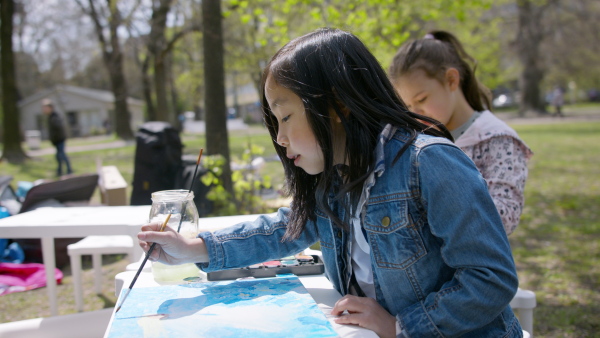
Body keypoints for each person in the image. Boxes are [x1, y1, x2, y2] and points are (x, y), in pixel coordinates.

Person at [138, 28, 523, 337]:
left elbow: (490, 277)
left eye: (285, 118)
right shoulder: (336, 177)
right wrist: (193, 248)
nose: (280, 139)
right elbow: (284, 228)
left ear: (336, 106)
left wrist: (401, 327)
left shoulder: (430, 162)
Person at [388, 30, 533, 236]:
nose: (416, 113)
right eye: (408, 106)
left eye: (421, 100)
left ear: (451, 80)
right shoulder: (416, 140)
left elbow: (505, 216)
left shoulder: (497, 139)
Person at [42, 99, 73, 176]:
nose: (44, 110)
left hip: (59, 140)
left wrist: (56, 138)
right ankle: (59, 171)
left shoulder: (55, 117)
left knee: (61, 155)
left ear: (50, 108)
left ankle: (69, 170)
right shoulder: (50, 117)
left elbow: (59, 128)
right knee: (58, 157)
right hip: (56, 141)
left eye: (46, 108)